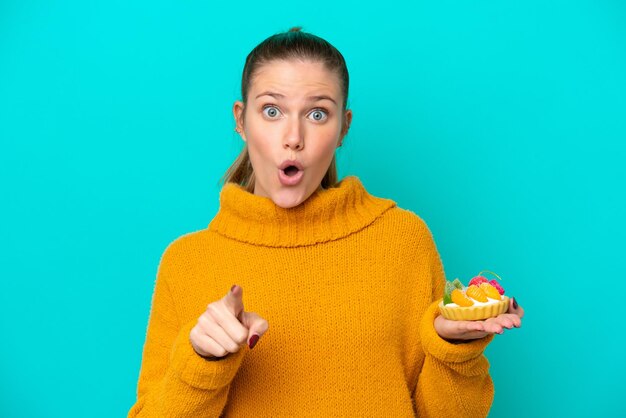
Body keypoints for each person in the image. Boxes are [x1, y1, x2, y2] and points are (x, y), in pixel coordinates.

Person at [127, 26, 525, 417]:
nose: (293, 137)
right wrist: (199, 363)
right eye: (271, 110)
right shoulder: (187, 262)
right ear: (241, 120)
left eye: (317, 113)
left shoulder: (403, 240)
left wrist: (451, 352)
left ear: (343, 129)